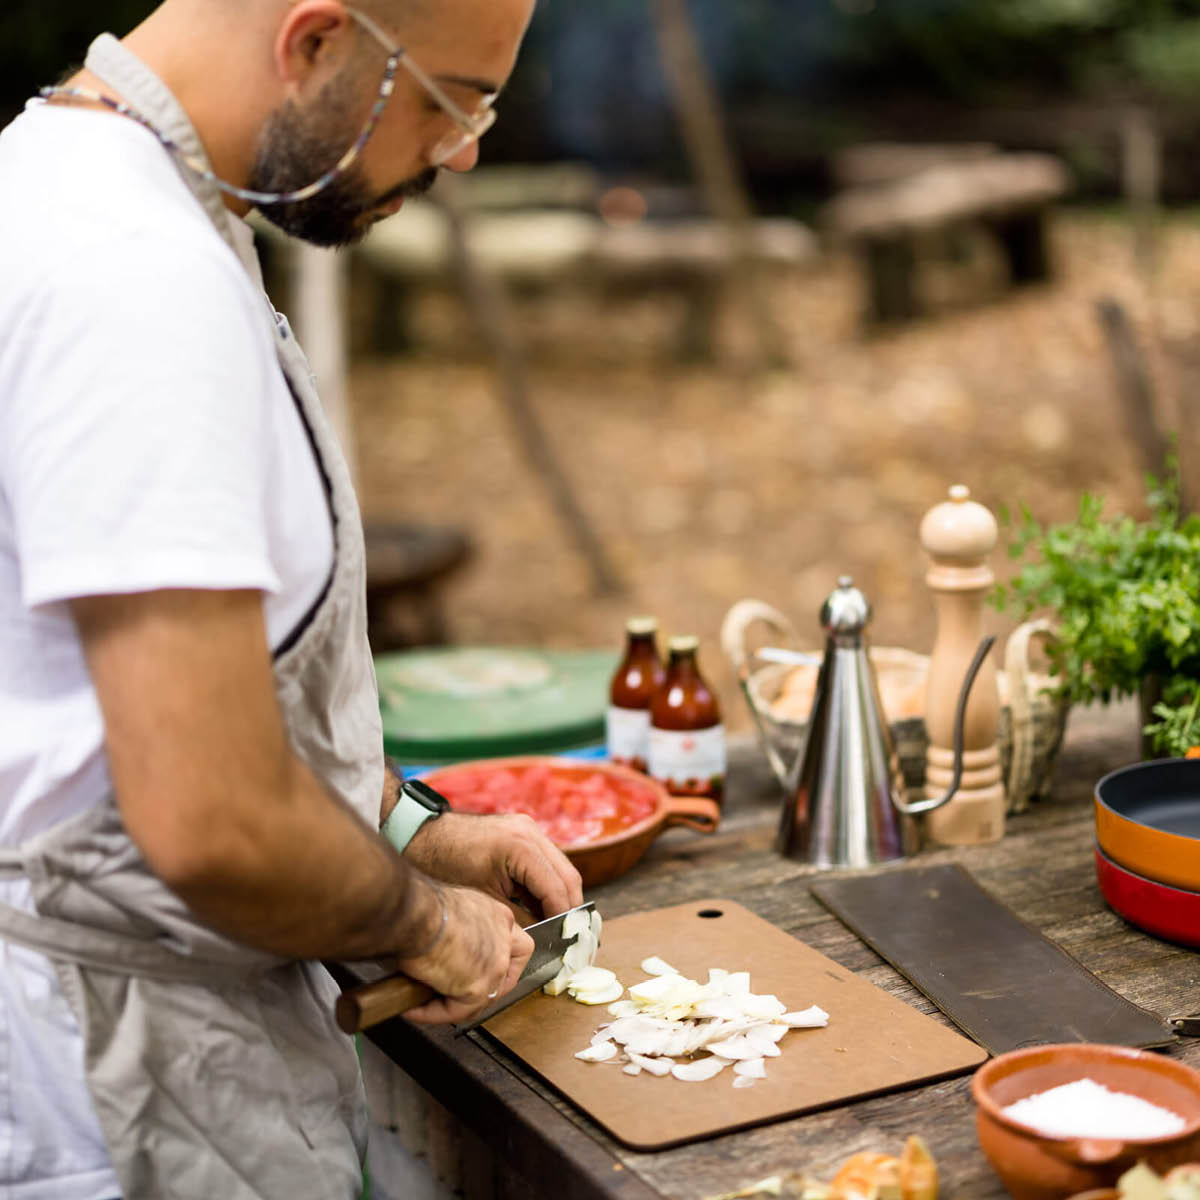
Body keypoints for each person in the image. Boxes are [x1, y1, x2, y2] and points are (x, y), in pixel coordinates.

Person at [0, 0, 584, 1196]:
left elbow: (152, 696)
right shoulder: (134, 280)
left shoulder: (74, 179)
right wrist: (424, 921)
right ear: (316, 41)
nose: (466, 147)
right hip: (111, 1096)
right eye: (449, 95)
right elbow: (211, 814)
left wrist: (412, 829)